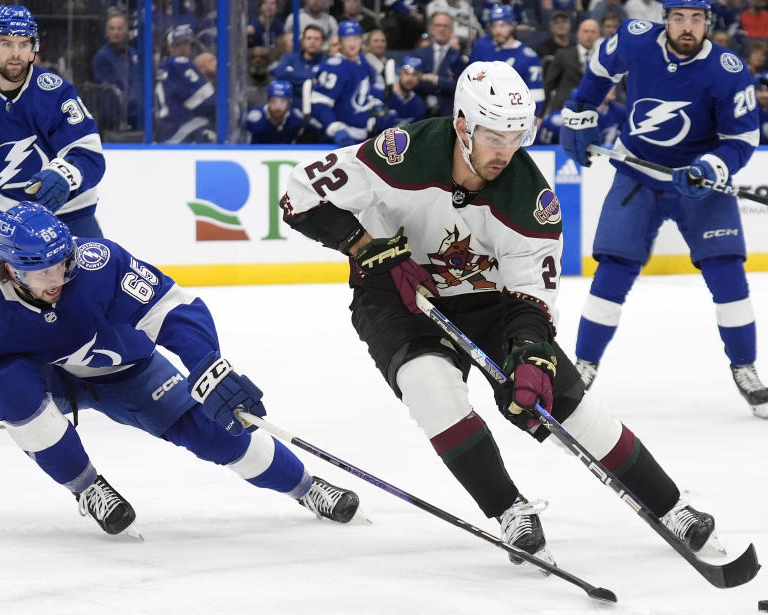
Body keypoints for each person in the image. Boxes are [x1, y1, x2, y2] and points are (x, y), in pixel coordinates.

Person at [280, 60, 725, 565]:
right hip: (396, 296)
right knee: (430, 386)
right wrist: (364, 245)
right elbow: (298, 194)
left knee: (564, 403)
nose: (506, 151)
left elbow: (531, 298)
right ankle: (509, 510)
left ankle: (671, 504)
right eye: (494, 136)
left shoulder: (531, 200)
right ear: (463, 125)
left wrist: (531, 355)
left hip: (491, 303)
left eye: (518, 136)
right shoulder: (400, 154)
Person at [0, 202, 361, 535]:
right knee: (8, 385)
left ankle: (304, 486)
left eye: (62, 263)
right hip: (36, 377)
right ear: (8, 267)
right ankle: (86, 487)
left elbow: (173, 309)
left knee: (213, 432)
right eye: (42, 270)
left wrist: (207, 364)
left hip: (122, 368)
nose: (58, 277)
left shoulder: (97, 262)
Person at [560, 0, 768, 418]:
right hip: (637, 172)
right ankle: (583, 366)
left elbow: (742, 140)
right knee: (613, 271)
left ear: (708, 22)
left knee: (727, 273)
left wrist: (711, 166)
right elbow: (599, 72)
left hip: (699, 181)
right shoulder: (635, 40)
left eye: (696, 19)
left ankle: (745, 367)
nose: (687, 28)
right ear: (666, 20)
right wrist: (580, 112)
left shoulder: (727, 70)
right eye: (678, 18)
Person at [0, 5, 106, 263]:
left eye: (24, 44)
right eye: (6, 44)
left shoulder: (55, 92)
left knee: (98, 282)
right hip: (5, 212)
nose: (15, 54)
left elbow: (90, 156)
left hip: (69, 211)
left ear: (34, 48)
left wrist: (64, 175)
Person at [311, 21, 382, 146]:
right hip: (341, 138)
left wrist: (374, 108)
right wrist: (334, 127)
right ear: (340, 42)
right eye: (347, 39)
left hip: (363, 137)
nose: (352, 43)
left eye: (356, 38)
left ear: (361, 40)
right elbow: (318, 103)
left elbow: (366, 91)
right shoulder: (333, 67)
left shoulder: (364, 63)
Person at [470, 4, 545, 115]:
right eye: (494, 26)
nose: (497, 31)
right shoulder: (482, 46)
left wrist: (534, 117)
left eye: (502, 25)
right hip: (480, 109)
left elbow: (536, 94)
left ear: (512, 26)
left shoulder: (528, 57)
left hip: (512, 115)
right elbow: (471, 80)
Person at [155, 25, 216, 143]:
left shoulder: (164, 68)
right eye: (178, 45)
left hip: (163, 130)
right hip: (178, 129)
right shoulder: (179, 63)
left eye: (186, 43)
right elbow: (208, 102)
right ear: (170, 48)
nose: (183, 48)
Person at [91, 11, 141, 130]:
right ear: (107, 32)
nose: (116, 32)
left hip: (137, 114)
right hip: (115, 118)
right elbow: (108, 90)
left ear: (126, 31)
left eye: (119, 28)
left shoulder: (134, 54)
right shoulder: (102, 57)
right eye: (112, 29)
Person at [413, 12, 468, 117]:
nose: (441, 29)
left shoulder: (459, 58)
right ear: (432, 29)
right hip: (420, 110)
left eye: (445, 26)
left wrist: (435, 79)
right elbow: (415, 81)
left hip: (447, 113)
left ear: (451, 30)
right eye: (438, 25)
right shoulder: (419, 53)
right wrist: (445, 83)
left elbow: (459, 87)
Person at [543, 18, 600, 116]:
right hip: (563, 108)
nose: (589, 35)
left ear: (598, 36)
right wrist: (540, 114)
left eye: (593, 32)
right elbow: (548, 85)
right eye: (586, 31)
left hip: (590, 111)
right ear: (578, 34)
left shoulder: (600, 59)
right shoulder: (563, 54)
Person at [271, 24, 326, 112]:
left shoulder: (327, 63)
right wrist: (309, 79)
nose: (312, 42)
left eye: (316, 39)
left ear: (323, 42)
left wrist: (292, 78)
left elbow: (321, 87)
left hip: (316, 112)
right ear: (303, 41)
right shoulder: (288, 58)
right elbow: (279, 73)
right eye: (309, 38)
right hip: (290, 113)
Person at [376, 55, 427, 131]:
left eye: (415, 74)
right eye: (406, 73)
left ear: (419, 78)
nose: (410, 78)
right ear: (399, 73)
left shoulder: (419, 104)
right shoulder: (380, 94)